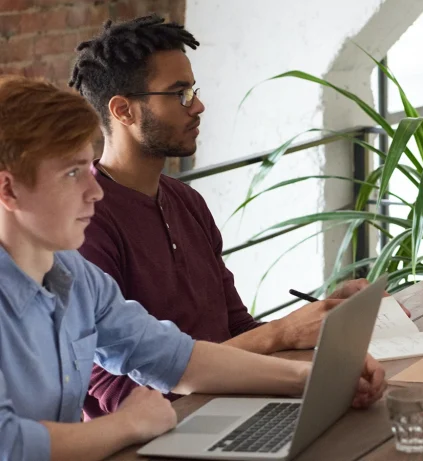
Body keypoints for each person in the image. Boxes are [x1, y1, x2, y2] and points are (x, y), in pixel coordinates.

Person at [0, 75, 386, 461]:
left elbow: (175, 358)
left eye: (88, 168)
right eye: (72, 173)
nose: (95, 191)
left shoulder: (75, 275)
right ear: (9, 190)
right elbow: (9, 445)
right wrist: (127, 423)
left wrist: (316, 380)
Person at [67, 15, 396, 418]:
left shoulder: (186, 201)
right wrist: (283, 335)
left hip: (233, 407)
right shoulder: (86, 224)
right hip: (156, 434)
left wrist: (319, 324)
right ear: (123, 111)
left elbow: (237, 329)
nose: (199, 105)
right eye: (180, 94)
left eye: (193, 90)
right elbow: (119, 396)